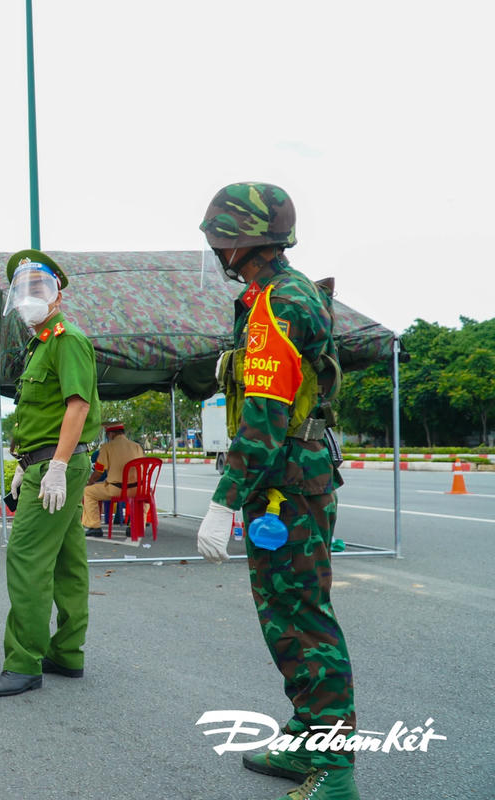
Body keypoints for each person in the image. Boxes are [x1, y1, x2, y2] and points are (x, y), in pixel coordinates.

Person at [196, 183, 358, 800]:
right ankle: (306, 738)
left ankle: (333, 768)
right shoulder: (281, 294)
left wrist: (223, 500)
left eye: (220, 238)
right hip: (292, 481)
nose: (217, 250)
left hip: (286, 485)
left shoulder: (277, 304)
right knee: (290, 620)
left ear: (241, 242)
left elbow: (264, 420)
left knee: (302, 622)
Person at [0, 250, 100, 698]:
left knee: (27, 559)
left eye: (37, 288)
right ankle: (66, 652)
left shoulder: (66, 340)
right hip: (47, 463)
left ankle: (23, 662)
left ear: (56, 296)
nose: (28, 297)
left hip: (57, 466)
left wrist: (56, 466)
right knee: (68, 561)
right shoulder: (42, 345)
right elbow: (43, 414)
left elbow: (78, 406)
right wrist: (25, 464)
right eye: (22, 290)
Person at [80, 420, 143, 536]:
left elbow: (99, 471)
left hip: (116, 490)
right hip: (137, 489)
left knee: (88, 492)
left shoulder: (107, 447)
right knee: (145, 495)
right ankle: (135, 525)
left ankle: (94, 526)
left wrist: (90, 482)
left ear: (111, 434)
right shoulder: (137, 446)